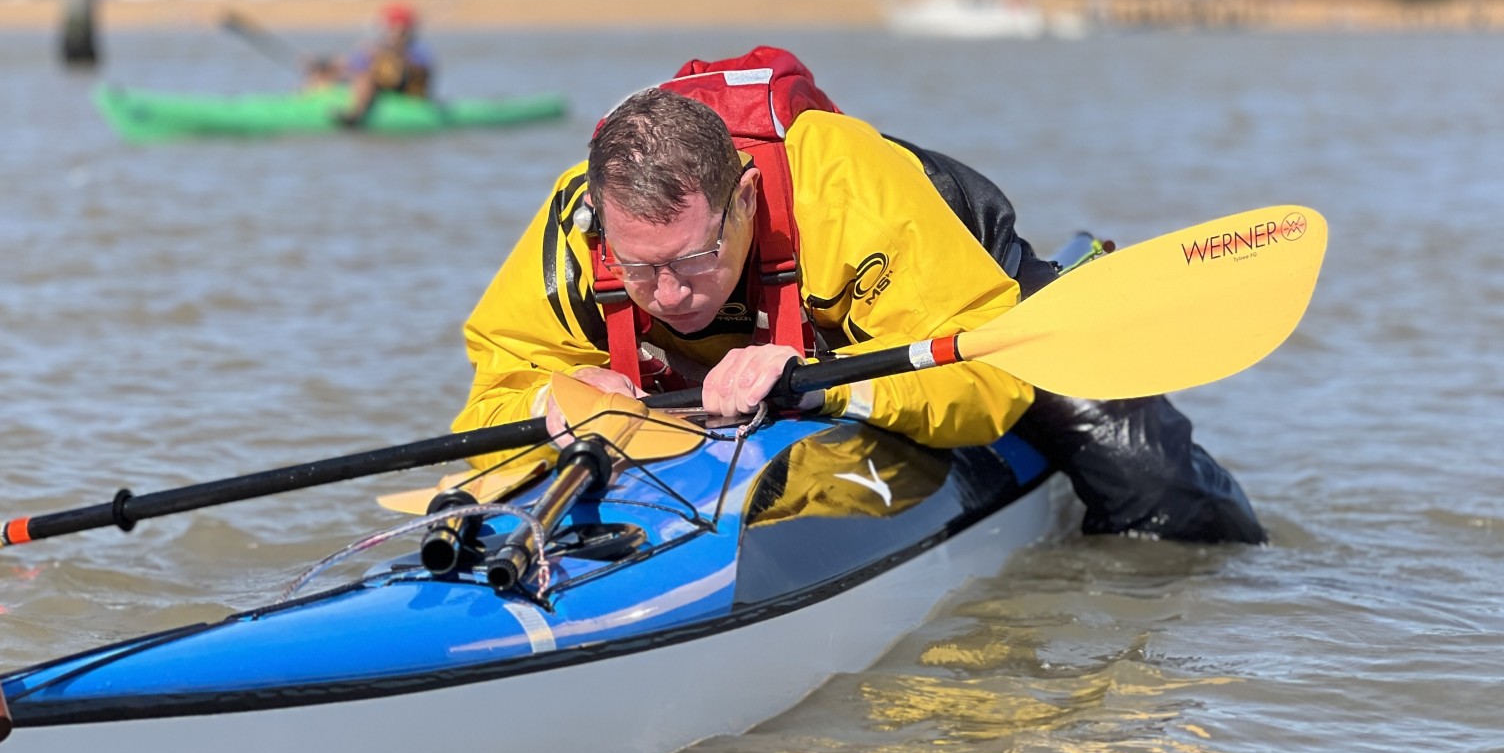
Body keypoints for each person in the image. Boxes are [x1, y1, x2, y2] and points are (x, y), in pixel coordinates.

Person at [454, 47, 1263, 544]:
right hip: (789, 338)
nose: (666, 294)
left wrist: (839, 386)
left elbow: (987, 384)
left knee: (1152, 484)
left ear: (742, 199)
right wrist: (549, 400)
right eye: (638, 267)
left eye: (694, 259)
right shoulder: (577, 222)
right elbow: (493, 388)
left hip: (959, 287)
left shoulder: (849, 194)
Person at [306, 3, 436, 125]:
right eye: (392, 30)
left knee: (366, 77)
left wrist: (387, 58)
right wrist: (321, 64)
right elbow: (348, 63)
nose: (396, 35)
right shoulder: (377, 47)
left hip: (409, 91)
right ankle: (305, 100)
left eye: (401, 31)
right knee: (327, 75)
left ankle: (354, 115)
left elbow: (419, 72)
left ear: (408, 31)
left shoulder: (418, 50)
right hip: (383, 84)